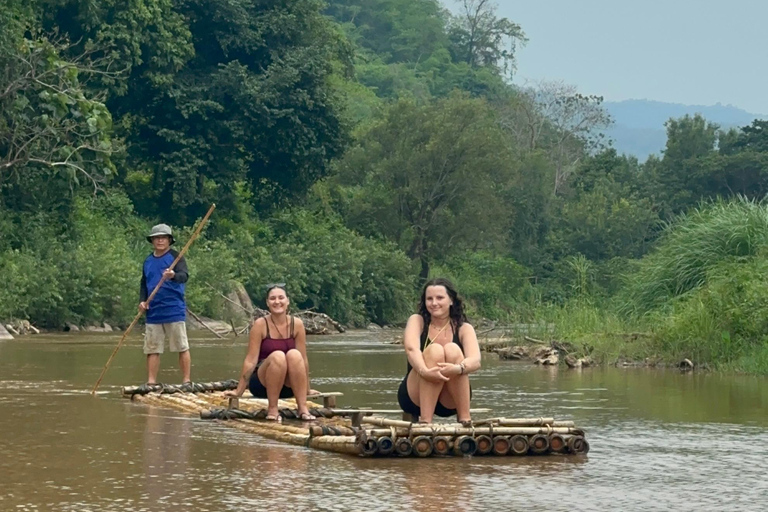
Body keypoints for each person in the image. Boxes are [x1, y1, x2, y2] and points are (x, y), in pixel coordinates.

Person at [224, 284, 315, 422]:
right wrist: (239, 390)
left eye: (281, 298)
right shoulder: (260, 324)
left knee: (294, 355)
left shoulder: (297, 324)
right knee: (278, 356)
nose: (277, 302)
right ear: (267, 303)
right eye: (272, 299)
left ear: (288, 301)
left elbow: (303, 359)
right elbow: (250, 360)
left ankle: (302, 408)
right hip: (262, 383)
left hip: (289, 386)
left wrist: (307, 389)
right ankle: (272, 409)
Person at [398, 278, 481, 424]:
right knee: (435, 350)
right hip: (416, 396)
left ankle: (465, 419)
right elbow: (411, 350)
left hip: (449, 399)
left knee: (453, 349)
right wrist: (425, 371)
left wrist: (457, 368)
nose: (434, 303)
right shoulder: (417, 321)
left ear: (451, 301)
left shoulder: (464, 328)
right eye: (429, 299)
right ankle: (426, 422)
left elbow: (475, 360)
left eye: (440, 298)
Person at [139, 223, 191, 386]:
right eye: (157, 238)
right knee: (152, 348)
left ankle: (186, 380)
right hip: (153, 311)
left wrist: (173, 275)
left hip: (174, 309)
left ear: (169, 240)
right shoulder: (148, 261)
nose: (160, 241)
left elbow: (184, 276)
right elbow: (144, 283)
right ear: (152, 241)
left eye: (163, 238)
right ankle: (151, 382)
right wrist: (142, 301)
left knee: (181, 346)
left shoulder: (176, 258)